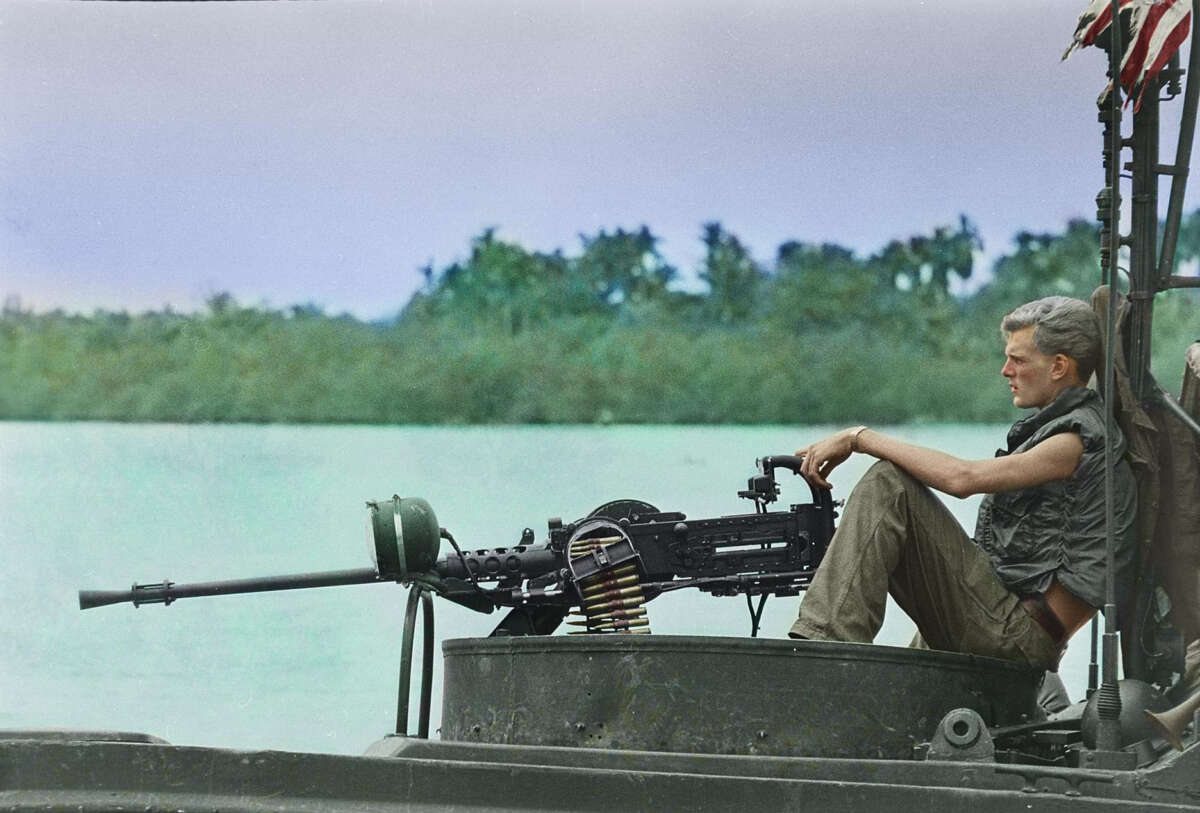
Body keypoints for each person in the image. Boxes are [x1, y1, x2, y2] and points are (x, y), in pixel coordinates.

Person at [788, 296, 1136, 670]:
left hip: (1016, 637)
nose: (1005, 371)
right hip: (1004, 621)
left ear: (1059, 367)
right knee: (896, 502)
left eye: (1018, 360)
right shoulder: (1057, 430)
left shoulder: (1075, 440)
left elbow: (962, 479)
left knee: (889, 485)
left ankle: (822, 653)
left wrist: (859, 438)